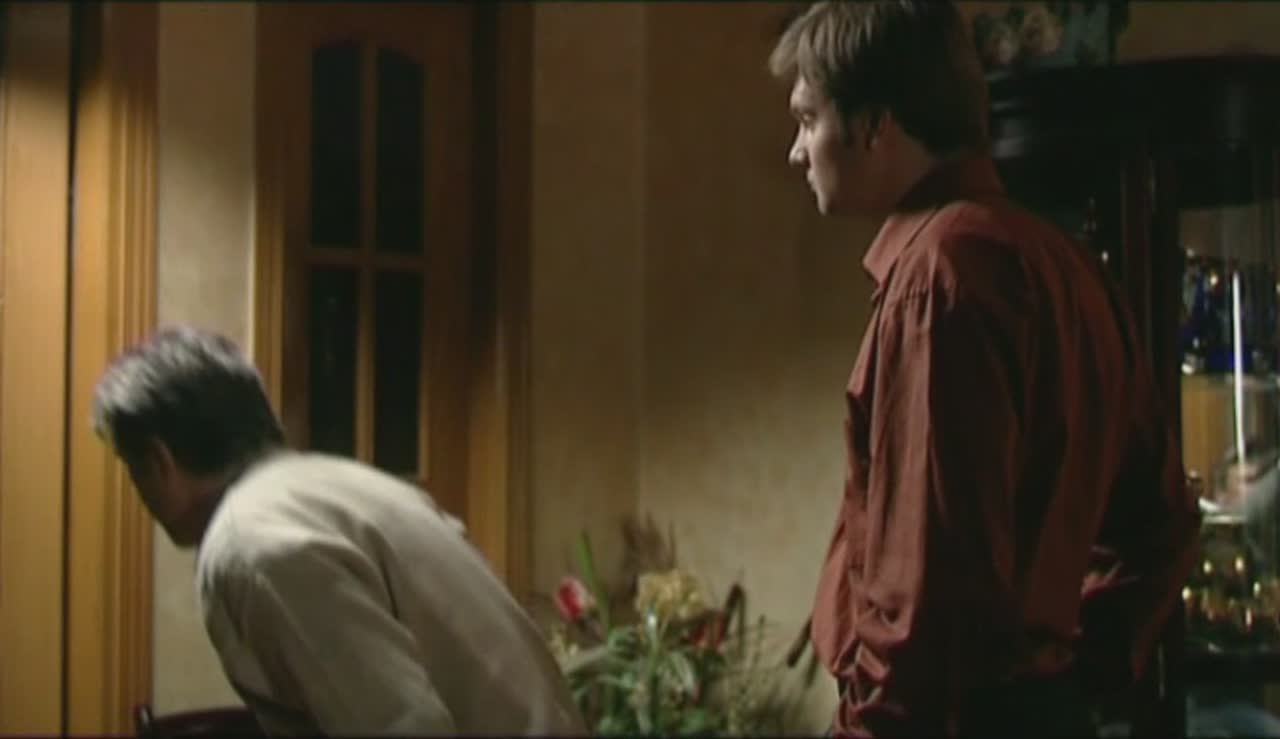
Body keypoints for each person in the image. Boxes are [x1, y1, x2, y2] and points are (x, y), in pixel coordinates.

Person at [768, 2, 1200, 736]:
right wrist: (1068, 681)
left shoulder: (939, 277)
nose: (796, 152)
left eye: (809, 120)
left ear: (876, 125)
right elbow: (1162, 526)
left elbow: (920, 613)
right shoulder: (1067, 265)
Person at [91, 326, 586, 737]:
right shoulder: (341, 483)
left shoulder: (251, 543)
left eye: (133, 468)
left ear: (159, 461)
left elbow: (400, 727)